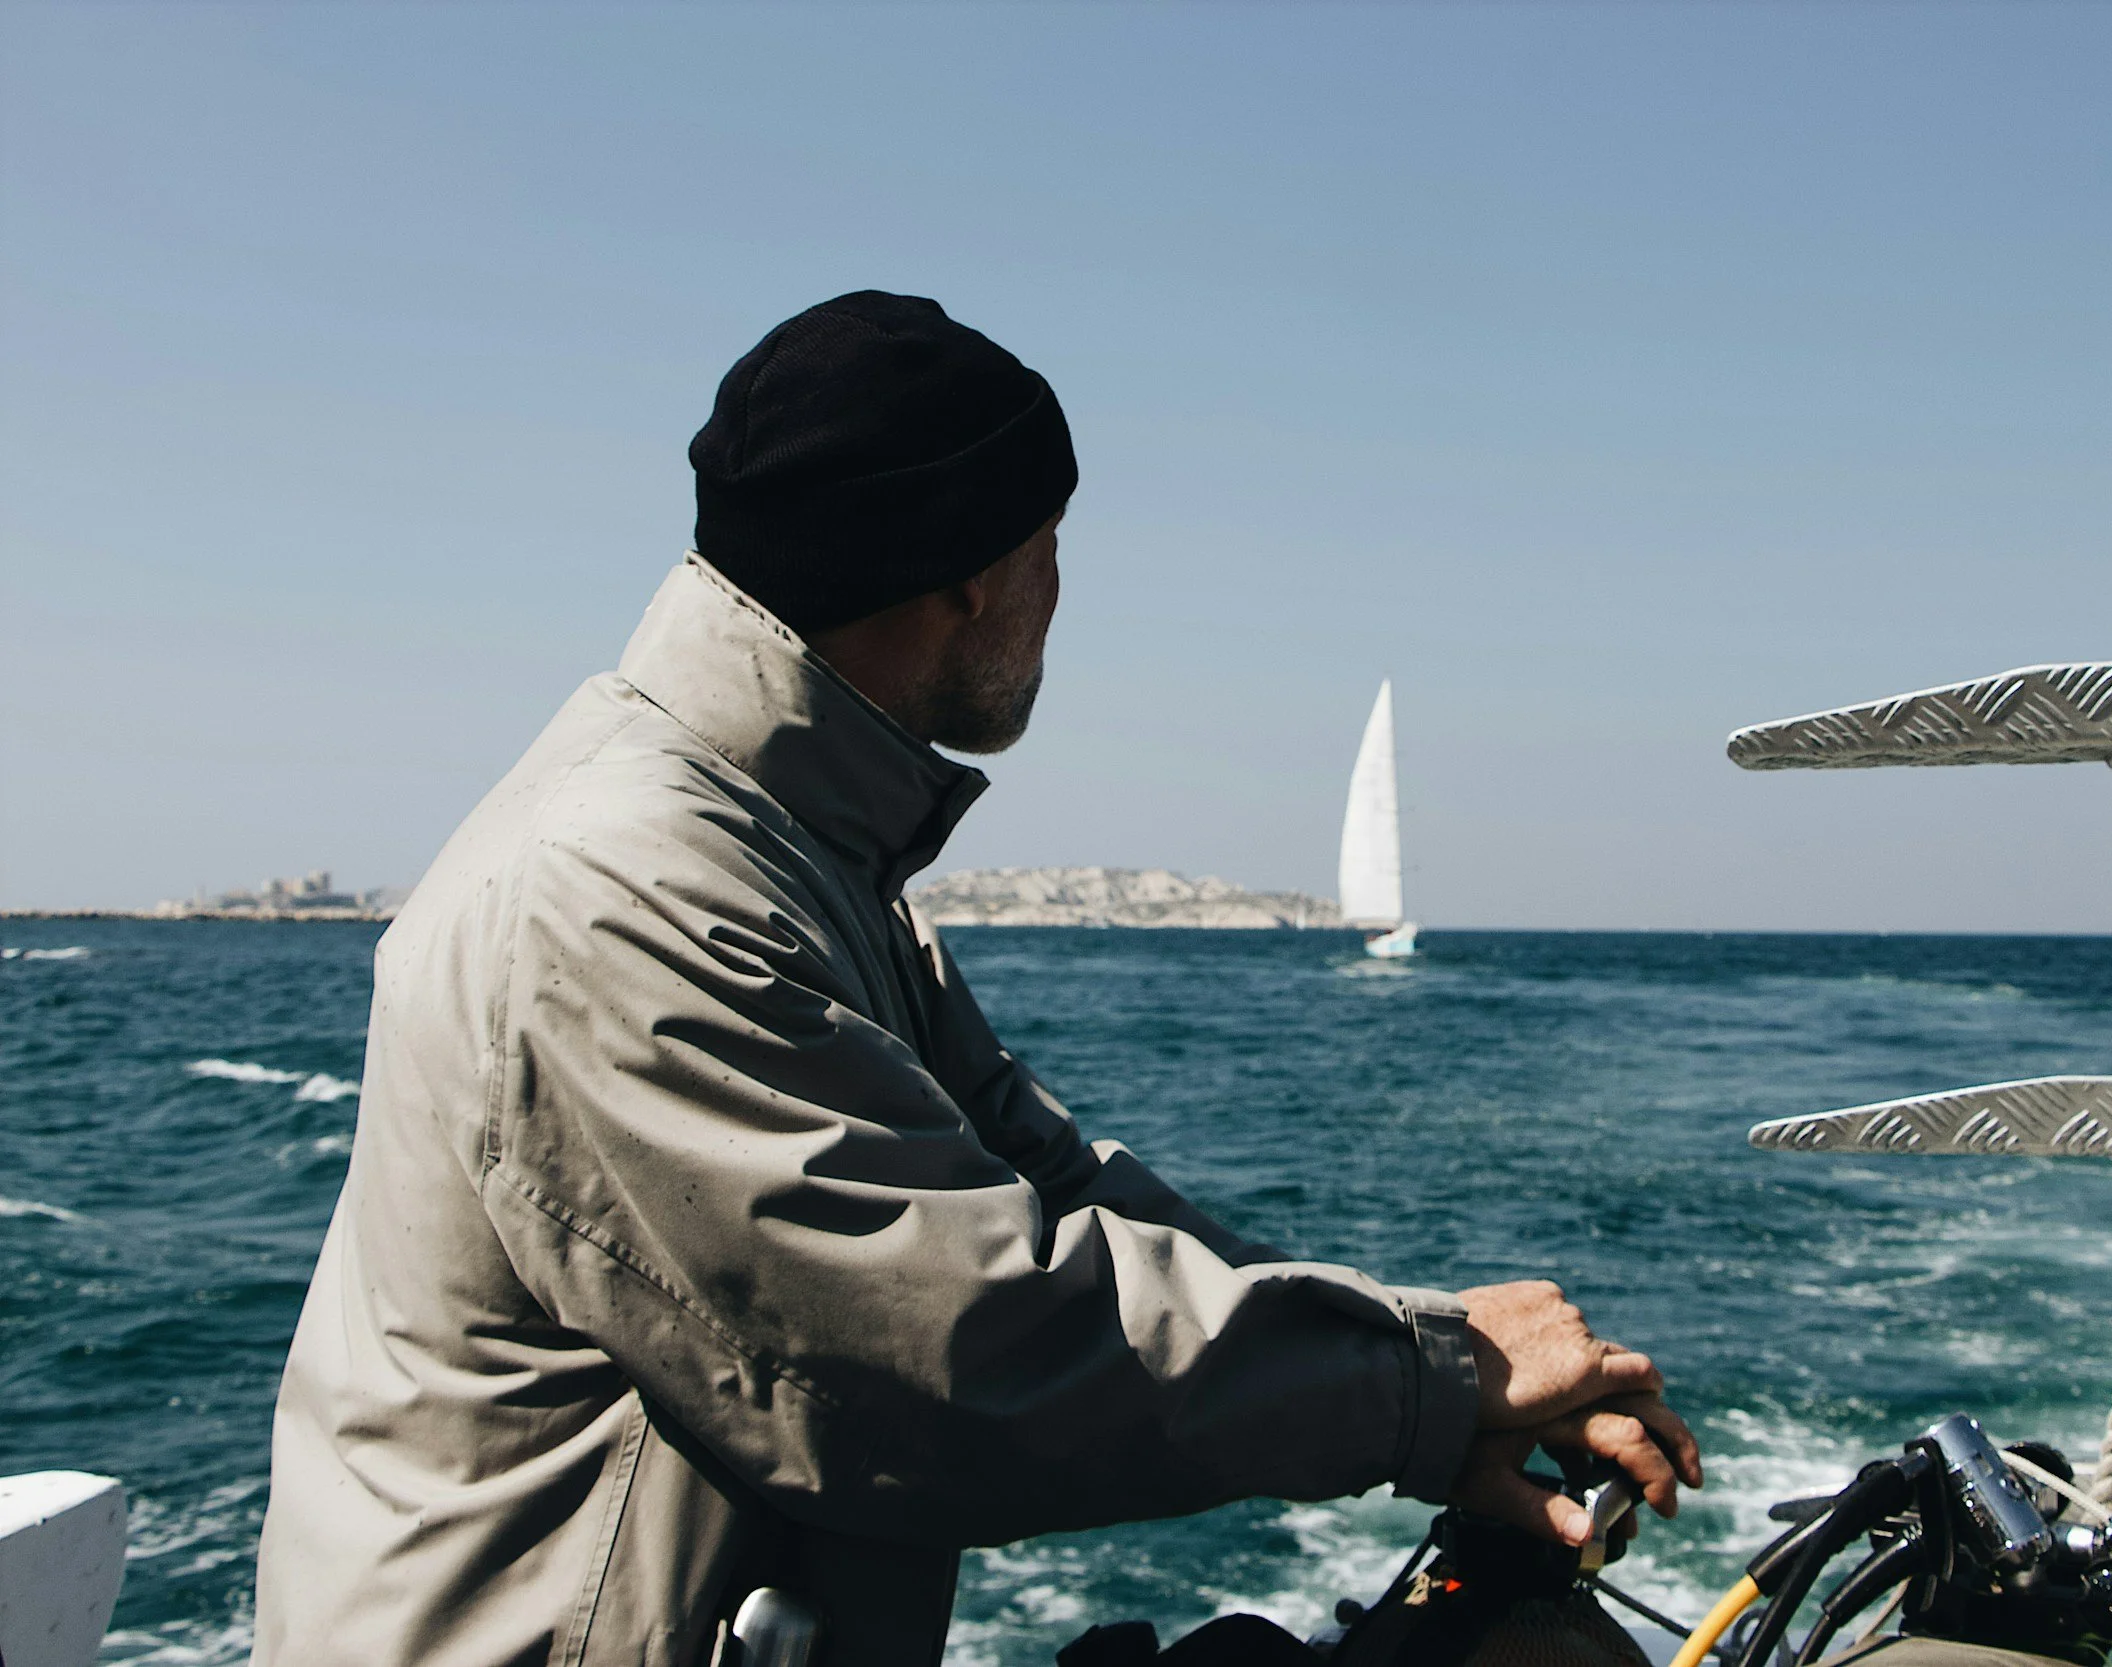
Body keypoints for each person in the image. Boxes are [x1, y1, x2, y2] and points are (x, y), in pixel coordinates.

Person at [250, 292, 1703, 1667]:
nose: (1062, 597)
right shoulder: (622, 895)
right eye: (1053, 544)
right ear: (969, 572)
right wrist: (1429, 1380)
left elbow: (1053, 1188)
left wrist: (1445, 1378)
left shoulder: (796, 862)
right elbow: (949, 1349)